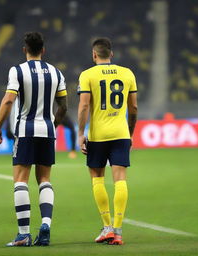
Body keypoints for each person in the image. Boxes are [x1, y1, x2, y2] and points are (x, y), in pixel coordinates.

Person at [0, 32, 67, 247]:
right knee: (44, 179)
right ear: (43, 50)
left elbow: (8, 101)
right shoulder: (56, 72)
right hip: (47, 131)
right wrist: (53, 125)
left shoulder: (17, 71)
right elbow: (63, 106)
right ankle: (45, 225)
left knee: (20, 180)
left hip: (25, 131)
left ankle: (24, 234)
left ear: (24, 49)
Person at [77, 37, 137, 245]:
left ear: (94, 55)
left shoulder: (87, 75)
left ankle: (107, 227)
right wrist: (130, 132)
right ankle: (118, 231)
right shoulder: (127, 73)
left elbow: (84, 106)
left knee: (97, 178)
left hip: (98, 135)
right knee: (120, 179)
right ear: (111, 54)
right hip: (120, 133)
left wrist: (80, 133)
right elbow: (134, 108)